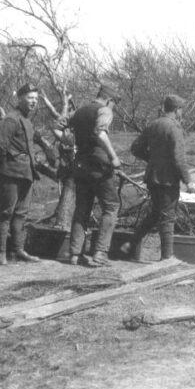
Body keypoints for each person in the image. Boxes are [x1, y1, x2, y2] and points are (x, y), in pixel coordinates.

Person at [125, 94, 195, 261]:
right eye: (181, 109)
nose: (182, 113)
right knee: (167, 216)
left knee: (156, 213)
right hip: (167, 180)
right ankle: (167, 258)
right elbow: (178, 158)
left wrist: (152, 160)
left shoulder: (154, 124)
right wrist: (189, 181)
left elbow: (135, 148)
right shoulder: (175, 128)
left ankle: (131, 243)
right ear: (176, 110)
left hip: (152, 177)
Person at [65, 84, 123, 267]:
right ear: (109, 99)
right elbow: (100, 133)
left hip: (81, 166)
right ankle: (100, 253)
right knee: (111, 206)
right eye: (115, 103)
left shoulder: (79, 111)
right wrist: (113, 157)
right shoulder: (104, 110)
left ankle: (74, 254)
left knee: (82, 208)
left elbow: (57, 126)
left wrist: (69, 144)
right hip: (99, 166)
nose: (114, 107)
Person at [0, 83, 47, 265]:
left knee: (21, 213)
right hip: (11, 173)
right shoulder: (11, 119)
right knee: (6, 213)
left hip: (26, 173)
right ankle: (0, 252)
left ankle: (18, 250)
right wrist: (3, 169)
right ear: (20, 98)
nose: (34, 102)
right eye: (30, 98)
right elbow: (0, 147)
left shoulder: (27, 120)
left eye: (36, 99)